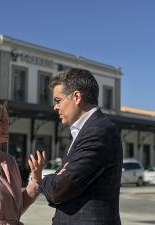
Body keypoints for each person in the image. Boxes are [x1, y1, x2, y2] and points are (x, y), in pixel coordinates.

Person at [38, 68, 123, 225]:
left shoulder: (98, 132)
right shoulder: (83, 132)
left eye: (58, 100)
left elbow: (59, 189)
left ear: (76, 97)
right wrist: (57, 178)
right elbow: (61, 181)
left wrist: (40, 179)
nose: (55, 107)